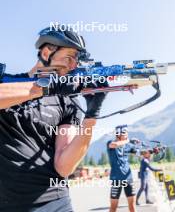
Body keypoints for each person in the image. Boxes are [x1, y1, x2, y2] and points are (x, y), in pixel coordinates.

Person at [0, 25, 107, 212]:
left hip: (53, 203)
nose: (74, 65)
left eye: (77, 60)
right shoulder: (6, 82)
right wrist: (45, 88)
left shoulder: (68, 102)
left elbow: (64, 167)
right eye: (70, 57)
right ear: (47, 51)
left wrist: (91, 116)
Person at [107, 124, 139, 212]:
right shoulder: (110, 142)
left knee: (132, 206)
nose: (127, 135)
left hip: (128, 179)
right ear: (119, 134)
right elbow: (113, 145)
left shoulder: (128, 146)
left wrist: (151, 151)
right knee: (113, 207)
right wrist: (128, 141)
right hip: (116, 179)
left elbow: (139, 153)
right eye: (125, 133)